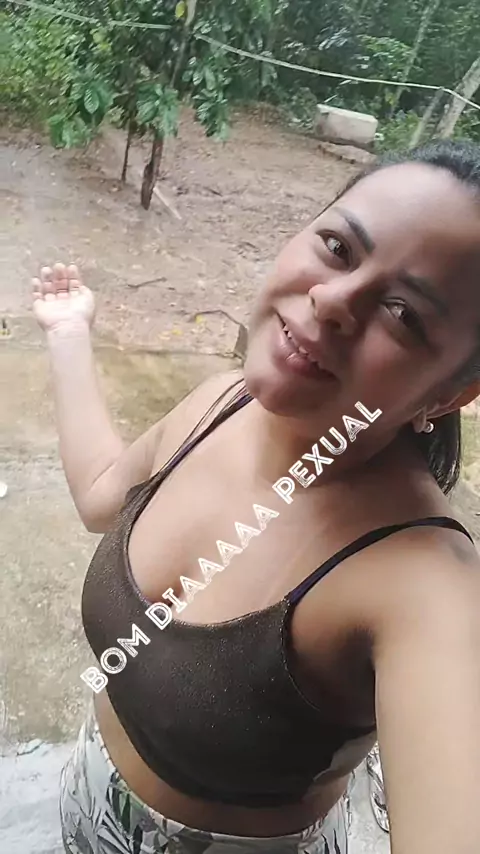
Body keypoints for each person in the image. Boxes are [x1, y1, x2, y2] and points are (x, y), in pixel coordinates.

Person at [32, 139, 480, 854]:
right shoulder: (221, 405)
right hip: (88, 804)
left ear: (450, 393)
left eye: (403, 313)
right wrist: (67, 333)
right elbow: (98, 495)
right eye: (338, 248)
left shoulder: (423, 585)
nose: (332, 300)